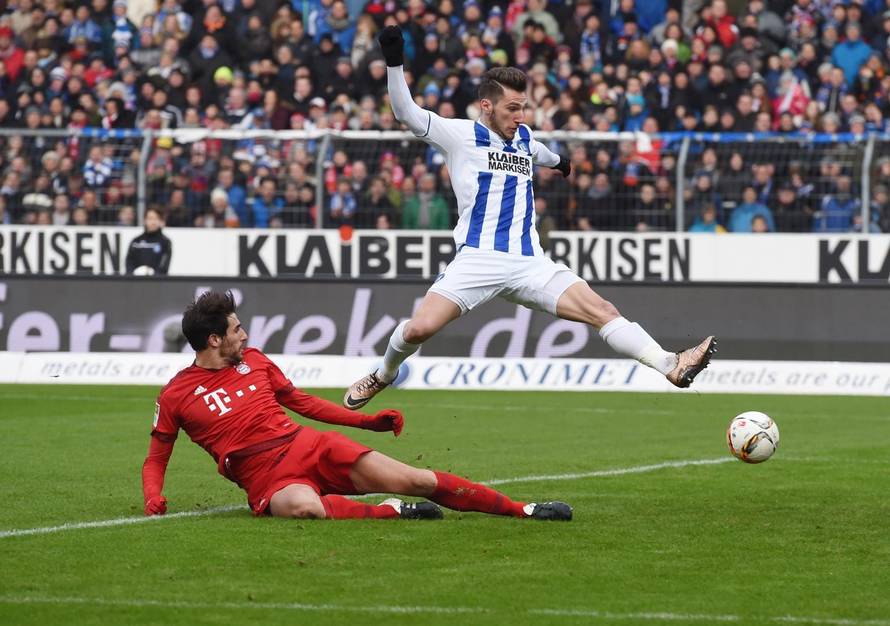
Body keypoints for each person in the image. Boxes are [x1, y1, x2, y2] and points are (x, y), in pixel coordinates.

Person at [343, 27, 715, 410]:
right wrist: (394, 61)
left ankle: (670, 364)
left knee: (603, 311)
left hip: (529, 263)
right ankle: (383, 374)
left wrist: (561, 163)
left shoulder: (523, 137)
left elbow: (539, 152)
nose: (520, 116)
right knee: (418, 329)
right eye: (512, 108)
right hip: (478, 259)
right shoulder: (458, 135)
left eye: (523, 107)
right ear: (486, 106)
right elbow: (405, 112)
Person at [141, 291, 572, 522]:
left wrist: (368, 422)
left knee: (416, 479)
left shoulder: (254, 361)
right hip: (267, 477)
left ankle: (521, 509)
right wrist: (153, 495)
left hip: (309, 446)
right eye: (236, 330)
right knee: (304, 509)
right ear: (214, 339)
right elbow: (157, 457)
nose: (245, 335)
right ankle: (388, 511)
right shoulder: (175, 395)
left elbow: (303, 403)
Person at [125, 207, 172, 275]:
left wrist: (152, 274)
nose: (153, 222)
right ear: (145, 220)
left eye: (156, 218)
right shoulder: (136, 241)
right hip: (136, 279)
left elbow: (164, 266)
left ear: (161, 221)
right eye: (150, 218)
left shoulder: (165, 242)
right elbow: (129, 262)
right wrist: (134, 274)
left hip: (157, 280)